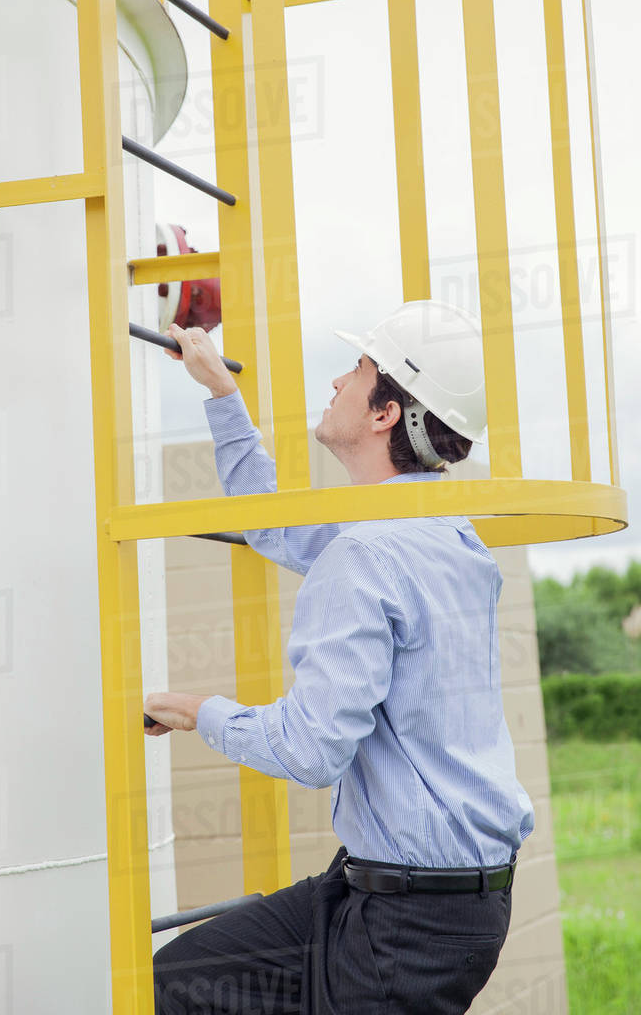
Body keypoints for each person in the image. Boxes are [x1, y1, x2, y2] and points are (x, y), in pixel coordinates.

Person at [146, 300, 535, 1015]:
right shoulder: (433, 531)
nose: (333, 382)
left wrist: (198, 712)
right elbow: (271, 527)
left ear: (386, 411)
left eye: (355, 371)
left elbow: (310, 749)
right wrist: (221, 396)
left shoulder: (367, 553)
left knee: (167, 991)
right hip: (394, 891)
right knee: (175, 984)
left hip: (413, 920)